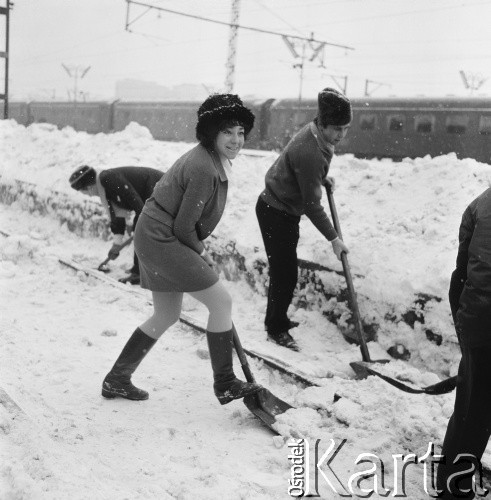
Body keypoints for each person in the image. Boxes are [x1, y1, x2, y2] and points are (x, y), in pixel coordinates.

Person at [101, 93, 264, 405]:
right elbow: (183, 227)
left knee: (166, 313)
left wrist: (197, 251)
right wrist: (202, 254)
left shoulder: (209, 158)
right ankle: (226, 382)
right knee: (221, 302)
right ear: (211, 133)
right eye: (227, 132)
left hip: (153, 233)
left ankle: (117, 378)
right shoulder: (203, 166)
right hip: (162, 237)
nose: (236, 140)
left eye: (241, 132)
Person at [255, 87, 352, 351]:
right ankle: (275, 328)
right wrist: (334, 238)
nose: (341, 135)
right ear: (322, 124)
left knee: (286, 272)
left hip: (282, 206)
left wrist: (319, 179)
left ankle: (279, 319)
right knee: (284, 274)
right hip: (276, 212)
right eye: (336, 129)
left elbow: (302, 173)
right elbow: (311, 205)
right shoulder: (310, 151)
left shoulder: (315, 134)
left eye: (346, 128)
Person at [436, 187, 491, 498]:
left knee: (473, 409)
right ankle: (453, 490)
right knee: (475, 412)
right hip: (485, 323)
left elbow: (460, 277)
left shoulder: (481, 202)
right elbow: (482, 276)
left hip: (477, 320)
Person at [69, 165, 163, 284]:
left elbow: (132, 196)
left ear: (88, 187)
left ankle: (140, 273)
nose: (88, 195)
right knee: (140, 227)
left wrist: (144, 219)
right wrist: (116, 245)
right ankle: (139, 270)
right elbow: (118, 216)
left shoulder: (107, 178)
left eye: (84, 192)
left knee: (141, 229)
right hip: (151, 193)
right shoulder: (106, 187)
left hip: (160, 187)